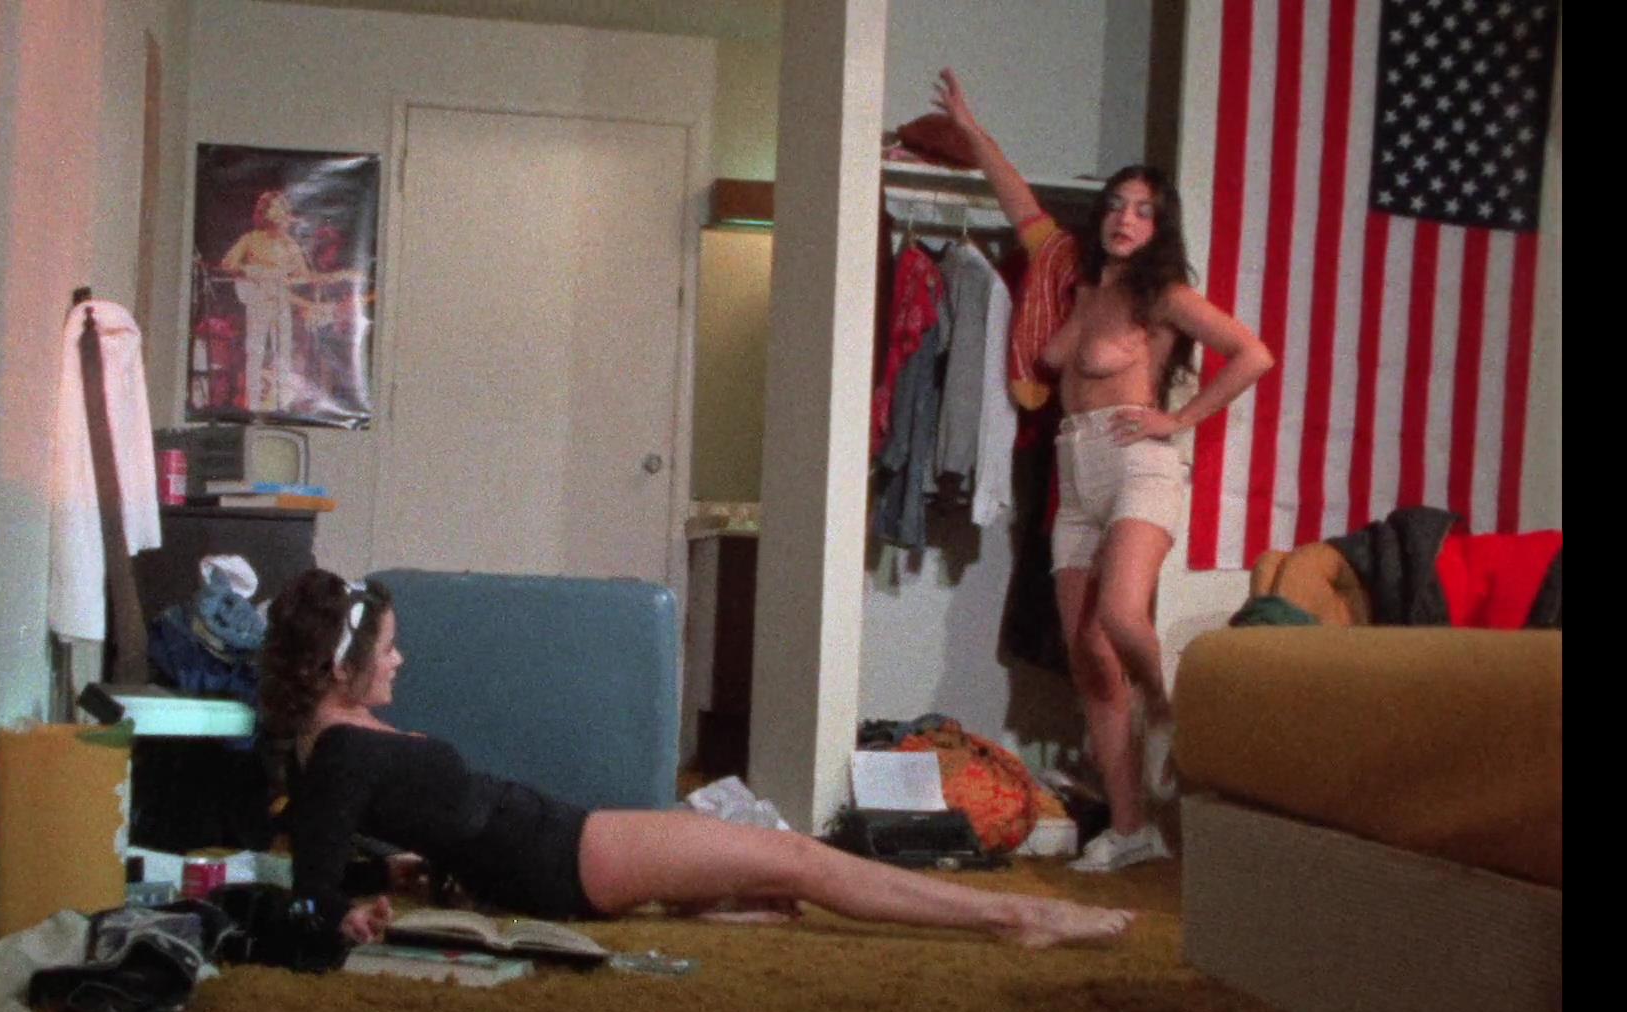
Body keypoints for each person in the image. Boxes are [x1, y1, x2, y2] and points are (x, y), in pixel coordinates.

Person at [260, 569, 1135, 949]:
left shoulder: (335, 745)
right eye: (388, 649)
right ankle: (1012, 916)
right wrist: (344, 916)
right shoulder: (339, 754)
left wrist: (398, 871)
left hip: (563, 842)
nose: (400, 661)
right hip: (566, 859)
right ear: (341, 667)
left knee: (771, 871)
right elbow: (309, 889)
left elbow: (355, 843)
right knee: (800, 858)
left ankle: (699, 897)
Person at [931, 69, 1276, 872]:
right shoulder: (1071, 279)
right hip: (1075, 471)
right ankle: (1130, 827)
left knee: (1121, 616)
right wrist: (971, 129)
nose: (1125, 218)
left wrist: (1181, 419)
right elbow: (1020, 203)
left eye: (1143, 210)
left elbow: (1252, 354)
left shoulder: (1164, 296)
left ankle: (1172, 715)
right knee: (1087, 653)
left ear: (1161, 226)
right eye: (1117, 205)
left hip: (1137, 466)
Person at [220, 190, 311, 412]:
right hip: (259, 302)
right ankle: (253, 405)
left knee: (283, 351)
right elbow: (227, 263)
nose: (276, 213)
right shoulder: (251, 239)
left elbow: (304, 275)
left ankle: (281, 405)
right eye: (271, 208)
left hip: (280, 302)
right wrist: (253, 270)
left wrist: (285, 276)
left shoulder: (290, 245)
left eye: (280, 208)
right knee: (255, 351)